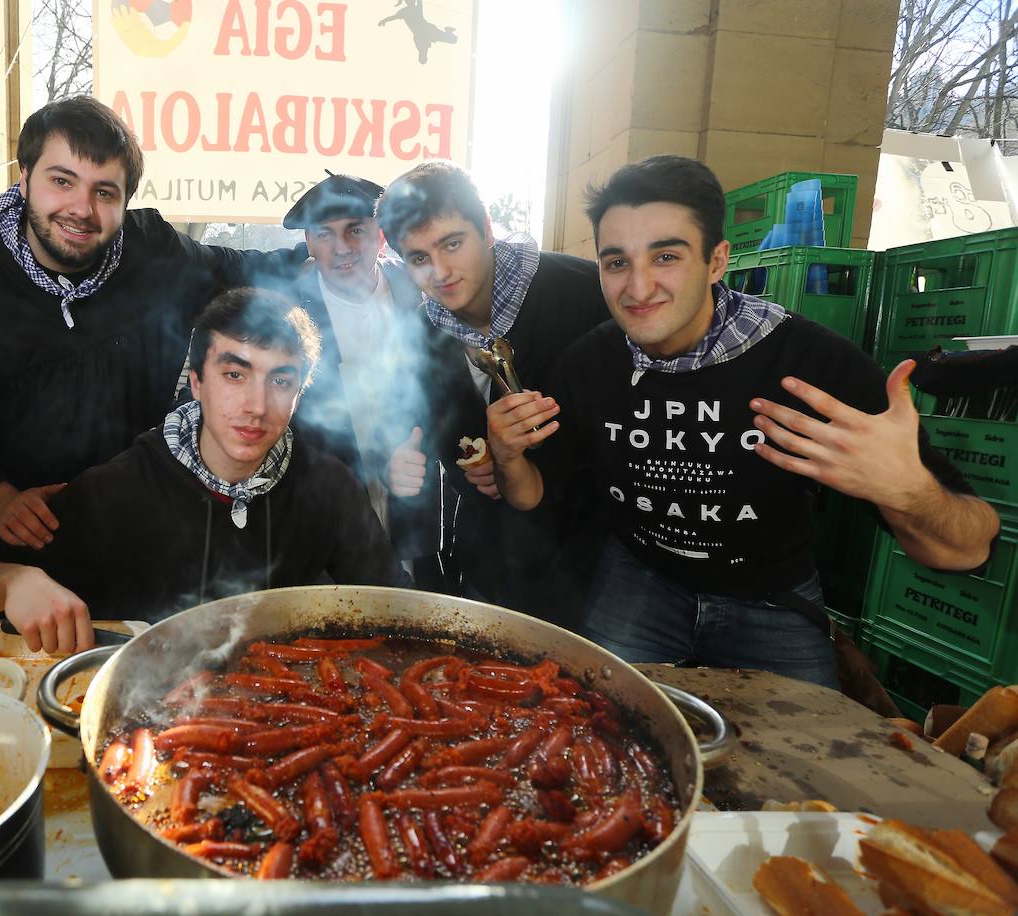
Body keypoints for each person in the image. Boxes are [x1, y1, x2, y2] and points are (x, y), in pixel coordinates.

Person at [488, 155, 999, 688]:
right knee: (601, 714)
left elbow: (969, 546)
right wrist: (506, 456)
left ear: (717, 261)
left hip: (771, 595)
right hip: (640, 578)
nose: (638, 289)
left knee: (807, 738)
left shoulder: (810, 364)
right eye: (617, 262)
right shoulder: (588, 364)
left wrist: (909, 490)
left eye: (666, 256)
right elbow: (533, 495)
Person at [0, 96, 307, 567]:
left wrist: (313, 261)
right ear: (24, 177)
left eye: (104, 193)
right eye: (62, 181)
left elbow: (233, 270)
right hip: (13, 543)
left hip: (138, 524)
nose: (81, 210)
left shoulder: (150, 251)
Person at [0, 288, 407, 653]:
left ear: (299, 394)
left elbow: (397, 608)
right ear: (197, 383)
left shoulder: (329, 487)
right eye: (234, 375)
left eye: (281, 381)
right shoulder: (121, 487)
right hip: (148, 708)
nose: (256, 405)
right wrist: (15, 582)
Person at [374, 161, 611, 626]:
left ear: (485, 227)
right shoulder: (418, 334)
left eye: (452, 243)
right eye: (419, 258)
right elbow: (420, 427)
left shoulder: (587, 292)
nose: (440, 271)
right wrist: (405, 463)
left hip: (599, 564)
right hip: (492, 562)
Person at [278, 171, 471, 576]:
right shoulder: (288, 314)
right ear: (308, 241)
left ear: (380, 234)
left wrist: (429, 452)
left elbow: (449, 394)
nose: (342, 247)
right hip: (328, 508)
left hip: (415, 501)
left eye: (355, 230)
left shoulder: (422, 291)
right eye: (325, 234)